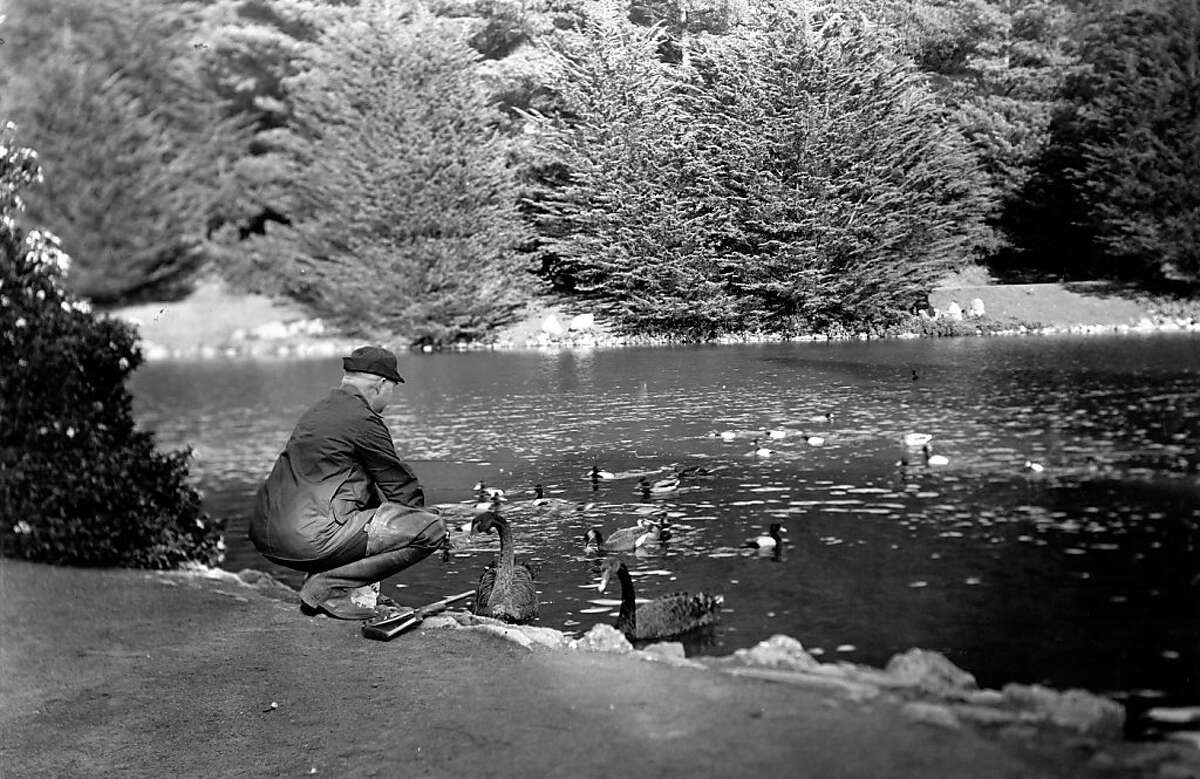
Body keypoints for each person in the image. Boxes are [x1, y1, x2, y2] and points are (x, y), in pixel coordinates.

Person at [250, 345, 448, 619]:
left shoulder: (319, 412)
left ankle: (351, 589)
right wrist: (423, 521)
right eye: (393, 387)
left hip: (268, 536)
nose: (391, 397)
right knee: (431, 529)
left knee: (368, 497)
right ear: (380, 385)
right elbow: (401, 490)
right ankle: (328, 587)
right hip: (309, 540)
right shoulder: (363, 419)